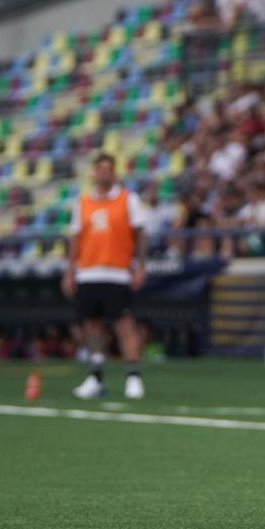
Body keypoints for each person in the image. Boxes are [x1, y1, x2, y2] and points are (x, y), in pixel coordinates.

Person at [62, 154, 150, 400]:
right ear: (94, 172)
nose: (104, 173)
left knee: (124, 325)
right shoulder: (83, 203)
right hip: (88, 272)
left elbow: (141, 235)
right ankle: (95, 377)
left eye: (108, 169)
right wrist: (70, 272)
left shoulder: (127, 200)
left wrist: (140, 267)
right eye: (100, 169)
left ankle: (133, 377)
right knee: (91, 327)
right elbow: (75, 240)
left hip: (117, 273)